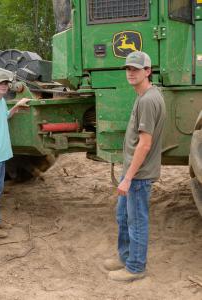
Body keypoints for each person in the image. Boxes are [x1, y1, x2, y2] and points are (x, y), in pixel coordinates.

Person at [104, 51, 166, 281]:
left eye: (136, 69)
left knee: (136, 220)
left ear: (148, 71)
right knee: (122, 216)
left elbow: (145, 144)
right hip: (133, 172)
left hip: (138, 175)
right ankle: (125, 256)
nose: (131, 73)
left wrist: (128, 177)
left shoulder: (149, 100)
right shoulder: (144, 95)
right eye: (128, 69)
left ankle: (136, 268)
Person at [0, 71, 29, 237]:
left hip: (2, 154)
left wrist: (15, 107)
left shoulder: (1, 102)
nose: (4, 86)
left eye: (6, 83)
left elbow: (3, 118)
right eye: (0, 83)